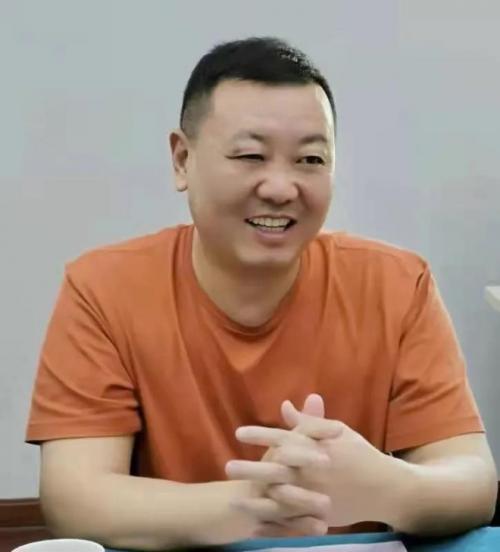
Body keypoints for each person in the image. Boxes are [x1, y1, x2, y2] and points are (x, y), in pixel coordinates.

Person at [26, 37, 497, 551]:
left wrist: (384, 488)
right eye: (251, 155)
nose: (280, 187)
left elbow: (471, 479)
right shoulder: (104, 288)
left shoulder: (397, 284)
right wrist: (256, 503)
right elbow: (75, 497)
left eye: (310, 159)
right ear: (182, 160)